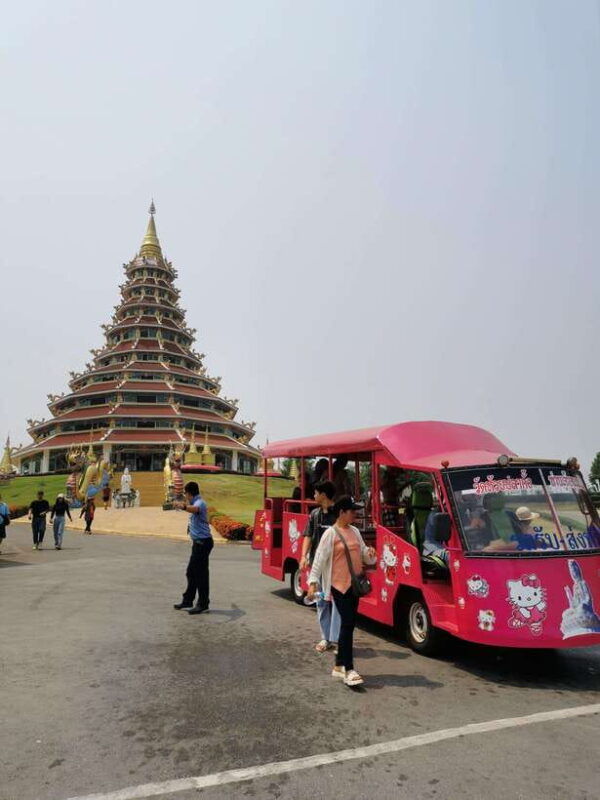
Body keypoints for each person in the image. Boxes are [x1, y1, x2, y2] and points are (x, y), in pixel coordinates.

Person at [308, 496, 377, 687]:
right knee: (347, 624)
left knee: (349, 624)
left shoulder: (354, 531)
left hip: (354, 585)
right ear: (342, 513)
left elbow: (362, 552)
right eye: (352, 511)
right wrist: (313, 582)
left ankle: (338, 666)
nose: (355, 514)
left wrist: (369, 554)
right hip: (338, 586)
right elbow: (319, 560)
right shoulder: (330, 534)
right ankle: (349, 669)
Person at [299, 480, 340, 653]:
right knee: (321, 601)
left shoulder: (339, 514)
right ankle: (326, 638)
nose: (314, 496)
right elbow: (308, 535)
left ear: (323, 494)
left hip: (337, 568)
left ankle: (337, 640)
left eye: (316, 493)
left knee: (337, 603)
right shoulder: (315, 514)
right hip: (319, 568)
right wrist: (303, 556)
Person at [173, 481, 213, 614]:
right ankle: (188, 600)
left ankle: (203, 603)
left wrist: (183, 506)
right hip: (198, 543)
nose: (185, 496)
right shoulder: (194, 502)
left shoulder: (199, 503)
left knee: (200, 574)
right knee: (191, 572)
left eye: (186, 493)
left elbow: (195, 509)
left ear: (189, 493)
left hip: (203, 543)